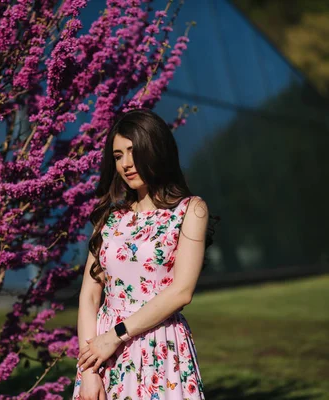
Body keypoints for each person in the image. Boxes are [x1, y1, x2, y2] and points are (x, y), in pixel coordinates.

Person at [72, 108, 210, 400]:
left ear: (154, 148)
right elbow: (89, 296)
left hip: (159, 345)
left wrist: (114, 337)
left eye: (132, 151)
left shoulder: (190, 210)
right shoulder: (109, 218)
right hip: (101, 355)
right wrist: (88, 372)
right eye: (118, 155)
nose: (125, 164)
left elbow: (181, 291)